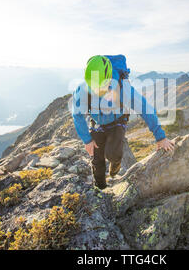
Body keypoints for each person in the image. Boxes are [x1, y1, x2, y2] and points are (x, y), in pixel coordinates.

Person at [71, 55, 175, 190]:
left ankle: (115, 167)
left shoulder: (122, 88)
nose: (97, 91)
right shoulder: (82, 89)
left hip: (117, 120)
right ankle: (101, 190)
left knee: (113, 155)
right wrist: (87, 140)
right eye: (93, 87)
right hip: (97, 122)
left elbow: (146, 109)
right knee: (97, 159)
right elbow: (77, 115)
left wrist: (160, 137)